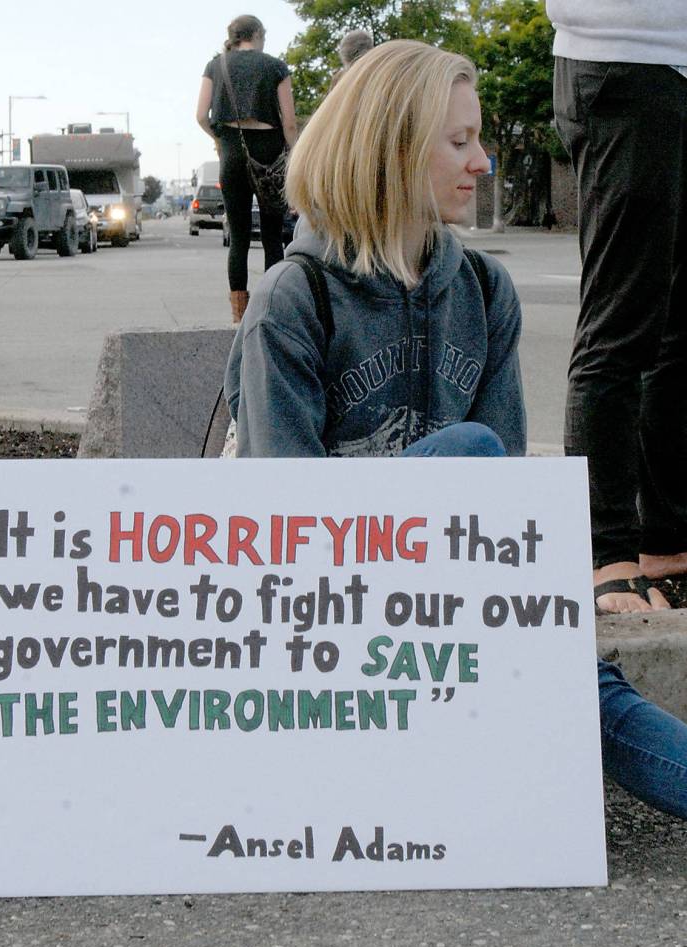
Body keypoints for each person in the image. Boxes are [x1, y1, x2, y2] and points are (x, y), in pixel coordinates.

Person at [224, 39, 687, 819]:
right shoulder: (291, 300)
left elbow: (506, 522)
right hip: (318, 632)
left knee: (581, 677)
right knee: (471, 456)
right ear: (393, 149)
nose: (483, 165)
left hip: (449, 611)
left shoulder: (483, 288)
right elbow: (283, 527)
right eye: (461, 142)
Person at [547, 3, 687, 615]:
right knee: (620, 323)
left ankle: (665, 542)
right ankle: (608, 553)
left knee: (676, 327)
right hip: (624, 58)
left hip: (669, 67)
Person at [196, 14, 298, 324]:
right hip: (268, 152)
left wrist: (219, 140)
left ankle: (238, 315)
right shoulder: (275, 66)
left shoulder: (216, 65)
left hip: (231, 151)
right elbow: (290, 122)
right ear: (259, 34)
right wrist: (293, 154)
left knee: (238, 237)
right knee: (272, 235)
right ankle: (271, 310)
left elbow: (201, 115)